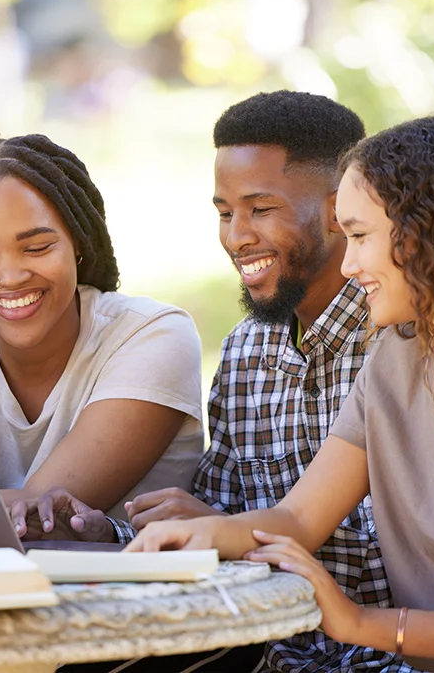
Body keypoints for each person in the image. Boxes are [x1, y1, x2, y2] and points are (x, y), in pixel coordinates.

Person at [26, 92, 408, 673]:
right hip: (260, 649)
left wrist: (229, 532)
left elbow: (397, 554)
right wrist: (109, 533)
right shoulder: (244, 352)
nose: (236, 237)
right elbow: (216, 516)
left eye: (260, 209)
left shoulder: (403, 343)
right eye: (225, 212)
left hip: (382, 655)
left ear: (338, 210)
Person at [128, 115, 434, 673]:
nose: (348, 265)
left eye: (360, 236)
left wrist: (360, 624)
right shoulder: (393, 360)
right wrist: (199, 534)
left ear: (426, 233)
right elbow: (299, 519)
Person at [0, 134, 204, 522]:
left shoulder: (152, 337)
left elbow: (39, 513)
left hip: (127, 583)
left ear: (77, 243)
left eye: (37, 248)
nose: (11, 276)